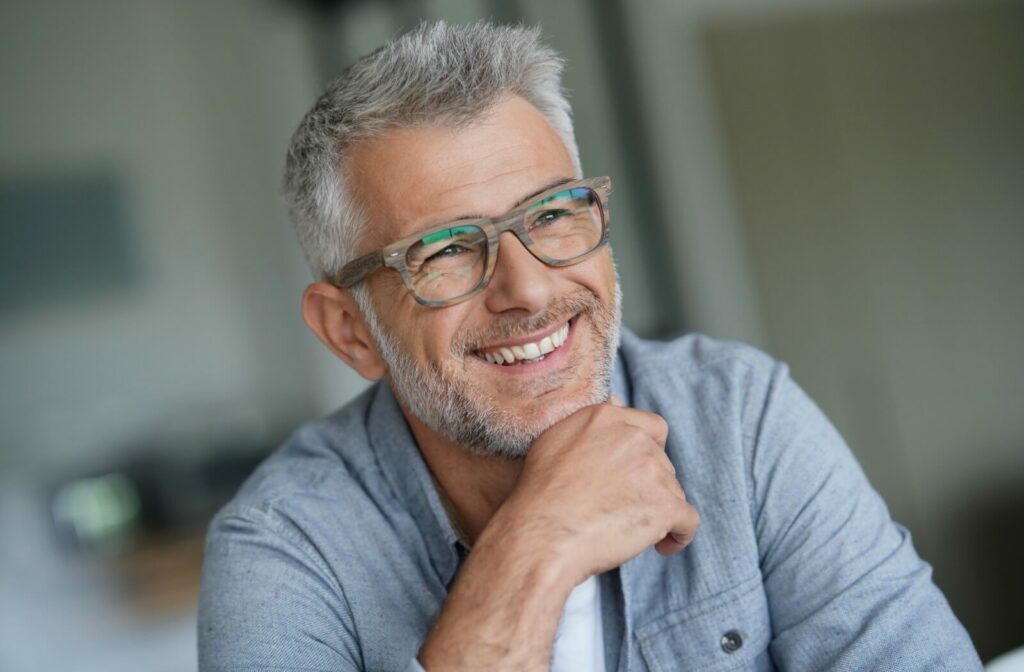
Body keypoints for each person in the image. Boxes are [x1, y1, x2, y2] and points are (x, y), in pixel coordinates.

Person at [197, 21, 981, 672]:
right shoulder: (283, 547)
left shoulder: (739, 415)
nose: (530, 290)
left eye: (551, 215)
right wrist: (534, 547)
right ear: (351, 331)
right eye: (444, 252)